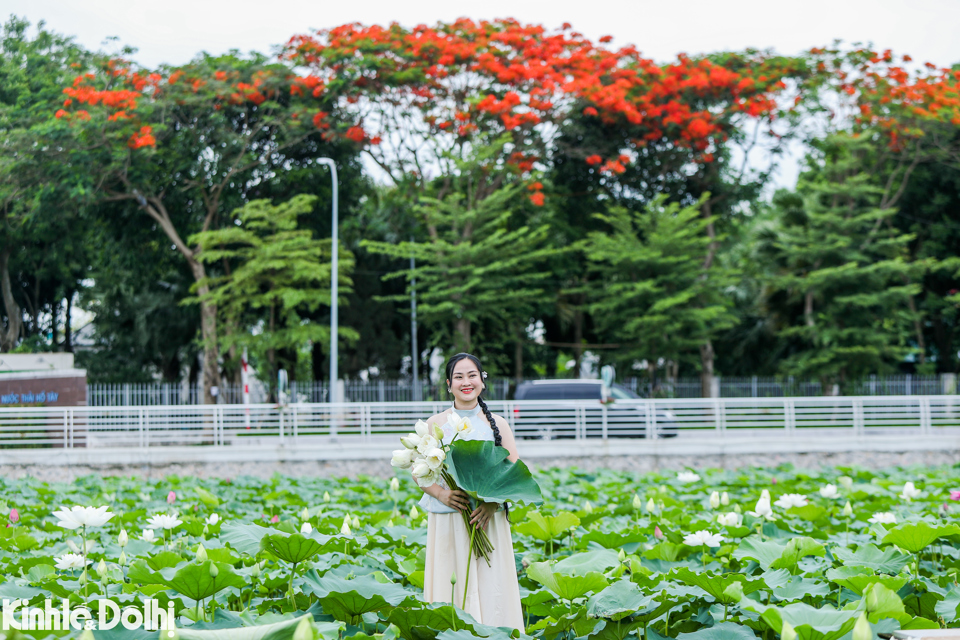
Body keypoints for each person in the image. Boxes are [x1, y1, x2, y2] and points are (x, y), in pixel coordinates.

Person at [417, 352, 525, 630]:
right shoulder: (435, 424)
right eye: (459, 377)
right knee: (451, 584)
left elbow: (513, 473)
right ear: (449, 384)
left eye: (472, 375)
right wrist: (441, 494)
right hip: (449, 517)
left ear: (482, 380)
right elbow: (420, 473)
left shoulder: (498, 424)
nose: (466, 382)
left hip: (488, 520)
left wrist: (491, 504)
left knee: (493, 586)